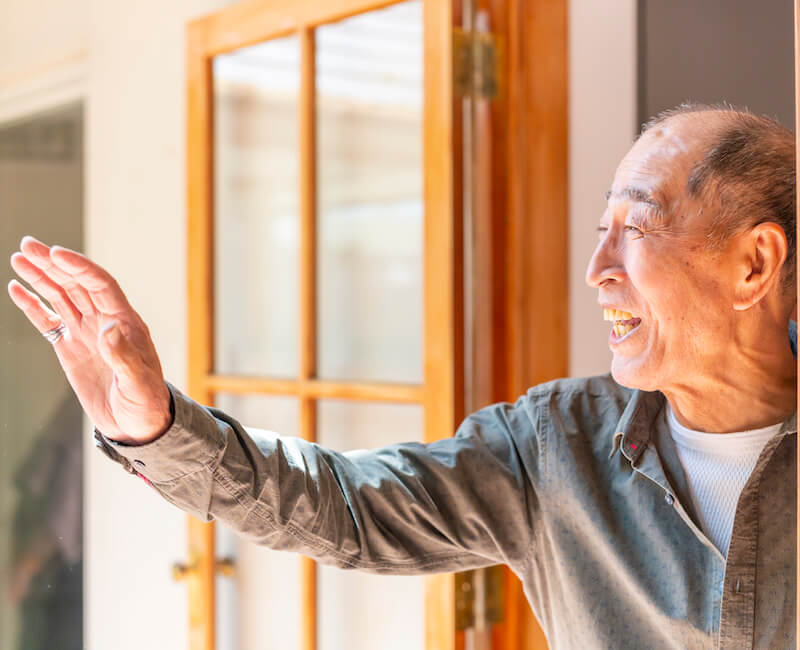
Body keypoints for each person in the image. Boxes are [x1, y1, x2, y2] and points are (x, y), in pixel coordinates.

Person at [7, 103, 797, 648]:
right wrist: (156, 429)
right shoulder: (555, 446)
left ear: (753, 264)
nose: (596, 270)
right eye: (601, 231)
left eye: (637, 227)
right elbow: (346, 504)